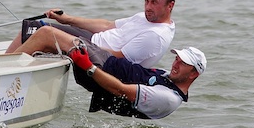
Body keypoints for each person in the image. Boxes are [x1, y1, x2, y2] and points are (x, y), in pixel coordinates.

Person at [6, 0, 176, 68]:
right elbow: (107, 25)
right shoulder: (143, 17)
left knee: (44, 32)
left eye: (154, 2)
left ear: (170, 5)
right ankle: (6, 64)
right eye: (146, 1)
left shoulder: (155, 36)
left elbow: (119, 58)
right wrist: (67, 19)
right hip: (93, 41)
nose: (148, 7)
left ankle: (5, 70)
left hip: (104, 57)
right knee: (32, 27)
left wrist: (77, 44)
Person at [68, 43, 206, 120]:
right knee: (68, 34)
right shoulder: (166, 76)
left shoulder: (168, 98)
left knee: (60, 38)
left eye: (183, 63)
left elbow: (120, 90)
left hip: (100, 73)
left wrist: (89, 67)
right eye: (176, 59)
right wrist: (95, 45)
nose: (175, 65)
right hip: (107, 63)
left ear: (193, 74)